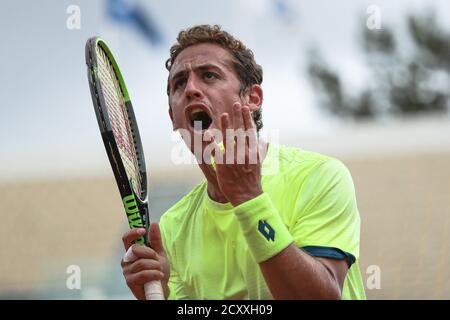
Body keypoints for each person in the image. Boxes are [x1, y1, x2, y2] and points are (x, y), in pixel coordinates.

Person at [121, 24, 366, 300]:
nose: (191, 89)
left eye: (209, 75)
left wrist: (248, 198)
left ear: (252, 98)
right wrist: (158, 295)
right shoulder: (172, 226)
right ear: (173, 118)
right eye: (179, 83)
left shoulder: (320, 176)